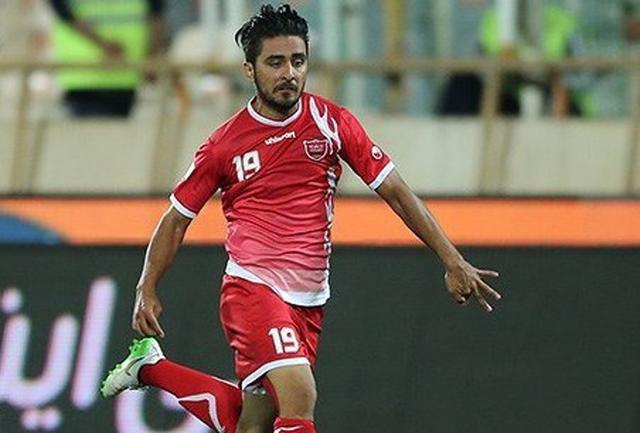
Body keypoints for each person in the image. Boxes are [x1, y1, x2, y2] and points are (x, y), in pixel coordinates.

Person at [100, 5, 501, 433]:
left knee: (252, 426)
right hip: (253, 289)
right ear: (250, 70)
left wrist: (452, 259)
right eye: (275, 62)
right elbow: (176, 219)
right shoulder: (224, 145)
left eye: (297, 61)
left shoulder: (332, 123)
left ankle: (150, 368)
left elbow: (398, 194)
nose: (289, 73)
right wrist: (147, 286)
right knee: (300, 394)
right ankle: (151, 368)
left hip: (309, 300)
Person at [49, 0, 166, 117]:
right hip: (85, 77)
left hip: (123, 75)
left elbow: (156, 16)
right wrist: (103, 44)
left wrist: (151, 59)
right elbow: (64, 13)